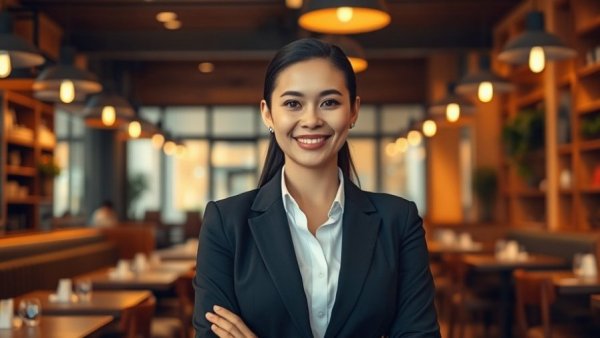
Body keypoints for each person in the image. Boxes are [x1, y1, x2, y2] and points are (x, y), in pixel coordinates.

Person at [193, 38, 440, 338]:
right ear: (268, 113)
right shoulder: (226, 223)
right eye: (293, 104)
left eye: (330, 102)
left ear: (353, 111)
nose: (311, 120)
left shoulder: (399, 221)